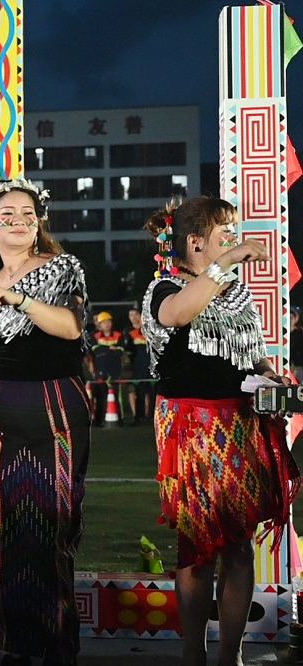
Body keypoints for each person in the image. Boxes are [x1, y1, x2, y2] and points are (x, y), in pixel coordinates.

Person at [141, 196, 300, 666]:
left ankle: (231, 653)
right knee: (196, 547)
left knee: (237, 546)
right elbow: (177, 314)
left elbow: (250, 351)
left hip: (240, 426)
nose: (233, 239)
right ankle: (194, 651)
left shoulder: (236, 291)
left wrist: (268, 376)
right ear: (195, 242)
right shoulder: (163, 288)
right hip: (190, 428)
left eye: (232, 232)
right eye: (224, 232)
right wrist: (228, 261)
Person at [0, 179, 90, 666]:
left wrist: (18, 299)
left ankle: (57, 646)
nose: (19, 221)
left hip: (55, 407)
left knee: (53, 528)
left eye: (28, 214)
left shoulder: (61, 267)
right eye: (7, 214)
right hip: (4, 410)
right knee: (4, 530)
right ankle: (16, 643)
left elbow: (70, 327)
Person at [88, 311, 127, 426]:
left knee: (117, 394)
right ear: (99, 325)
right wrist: (111, 349)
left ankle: (119, 419)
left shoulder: (119, 335)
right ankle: (98, 420)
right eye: (104, 322)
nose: (107, 324)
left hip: (115, 369)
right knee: (99, 395)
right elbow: (96, 350)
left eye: (108, 322)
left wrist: (104, 350)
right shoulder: (94, 336)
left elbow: (120, 351)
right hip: (100, 368)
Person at [122, 306, 154, 425]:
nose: (133, 317)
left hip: (150, 365)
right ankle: (138, 417)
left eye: (136, 314)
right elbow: (127, 350)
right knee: (138, 391)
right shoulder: (128, 332)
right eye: (131, 315)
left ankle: (150, 416)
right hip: (136, 366)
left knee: (151, 391)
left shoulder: (150, 330)